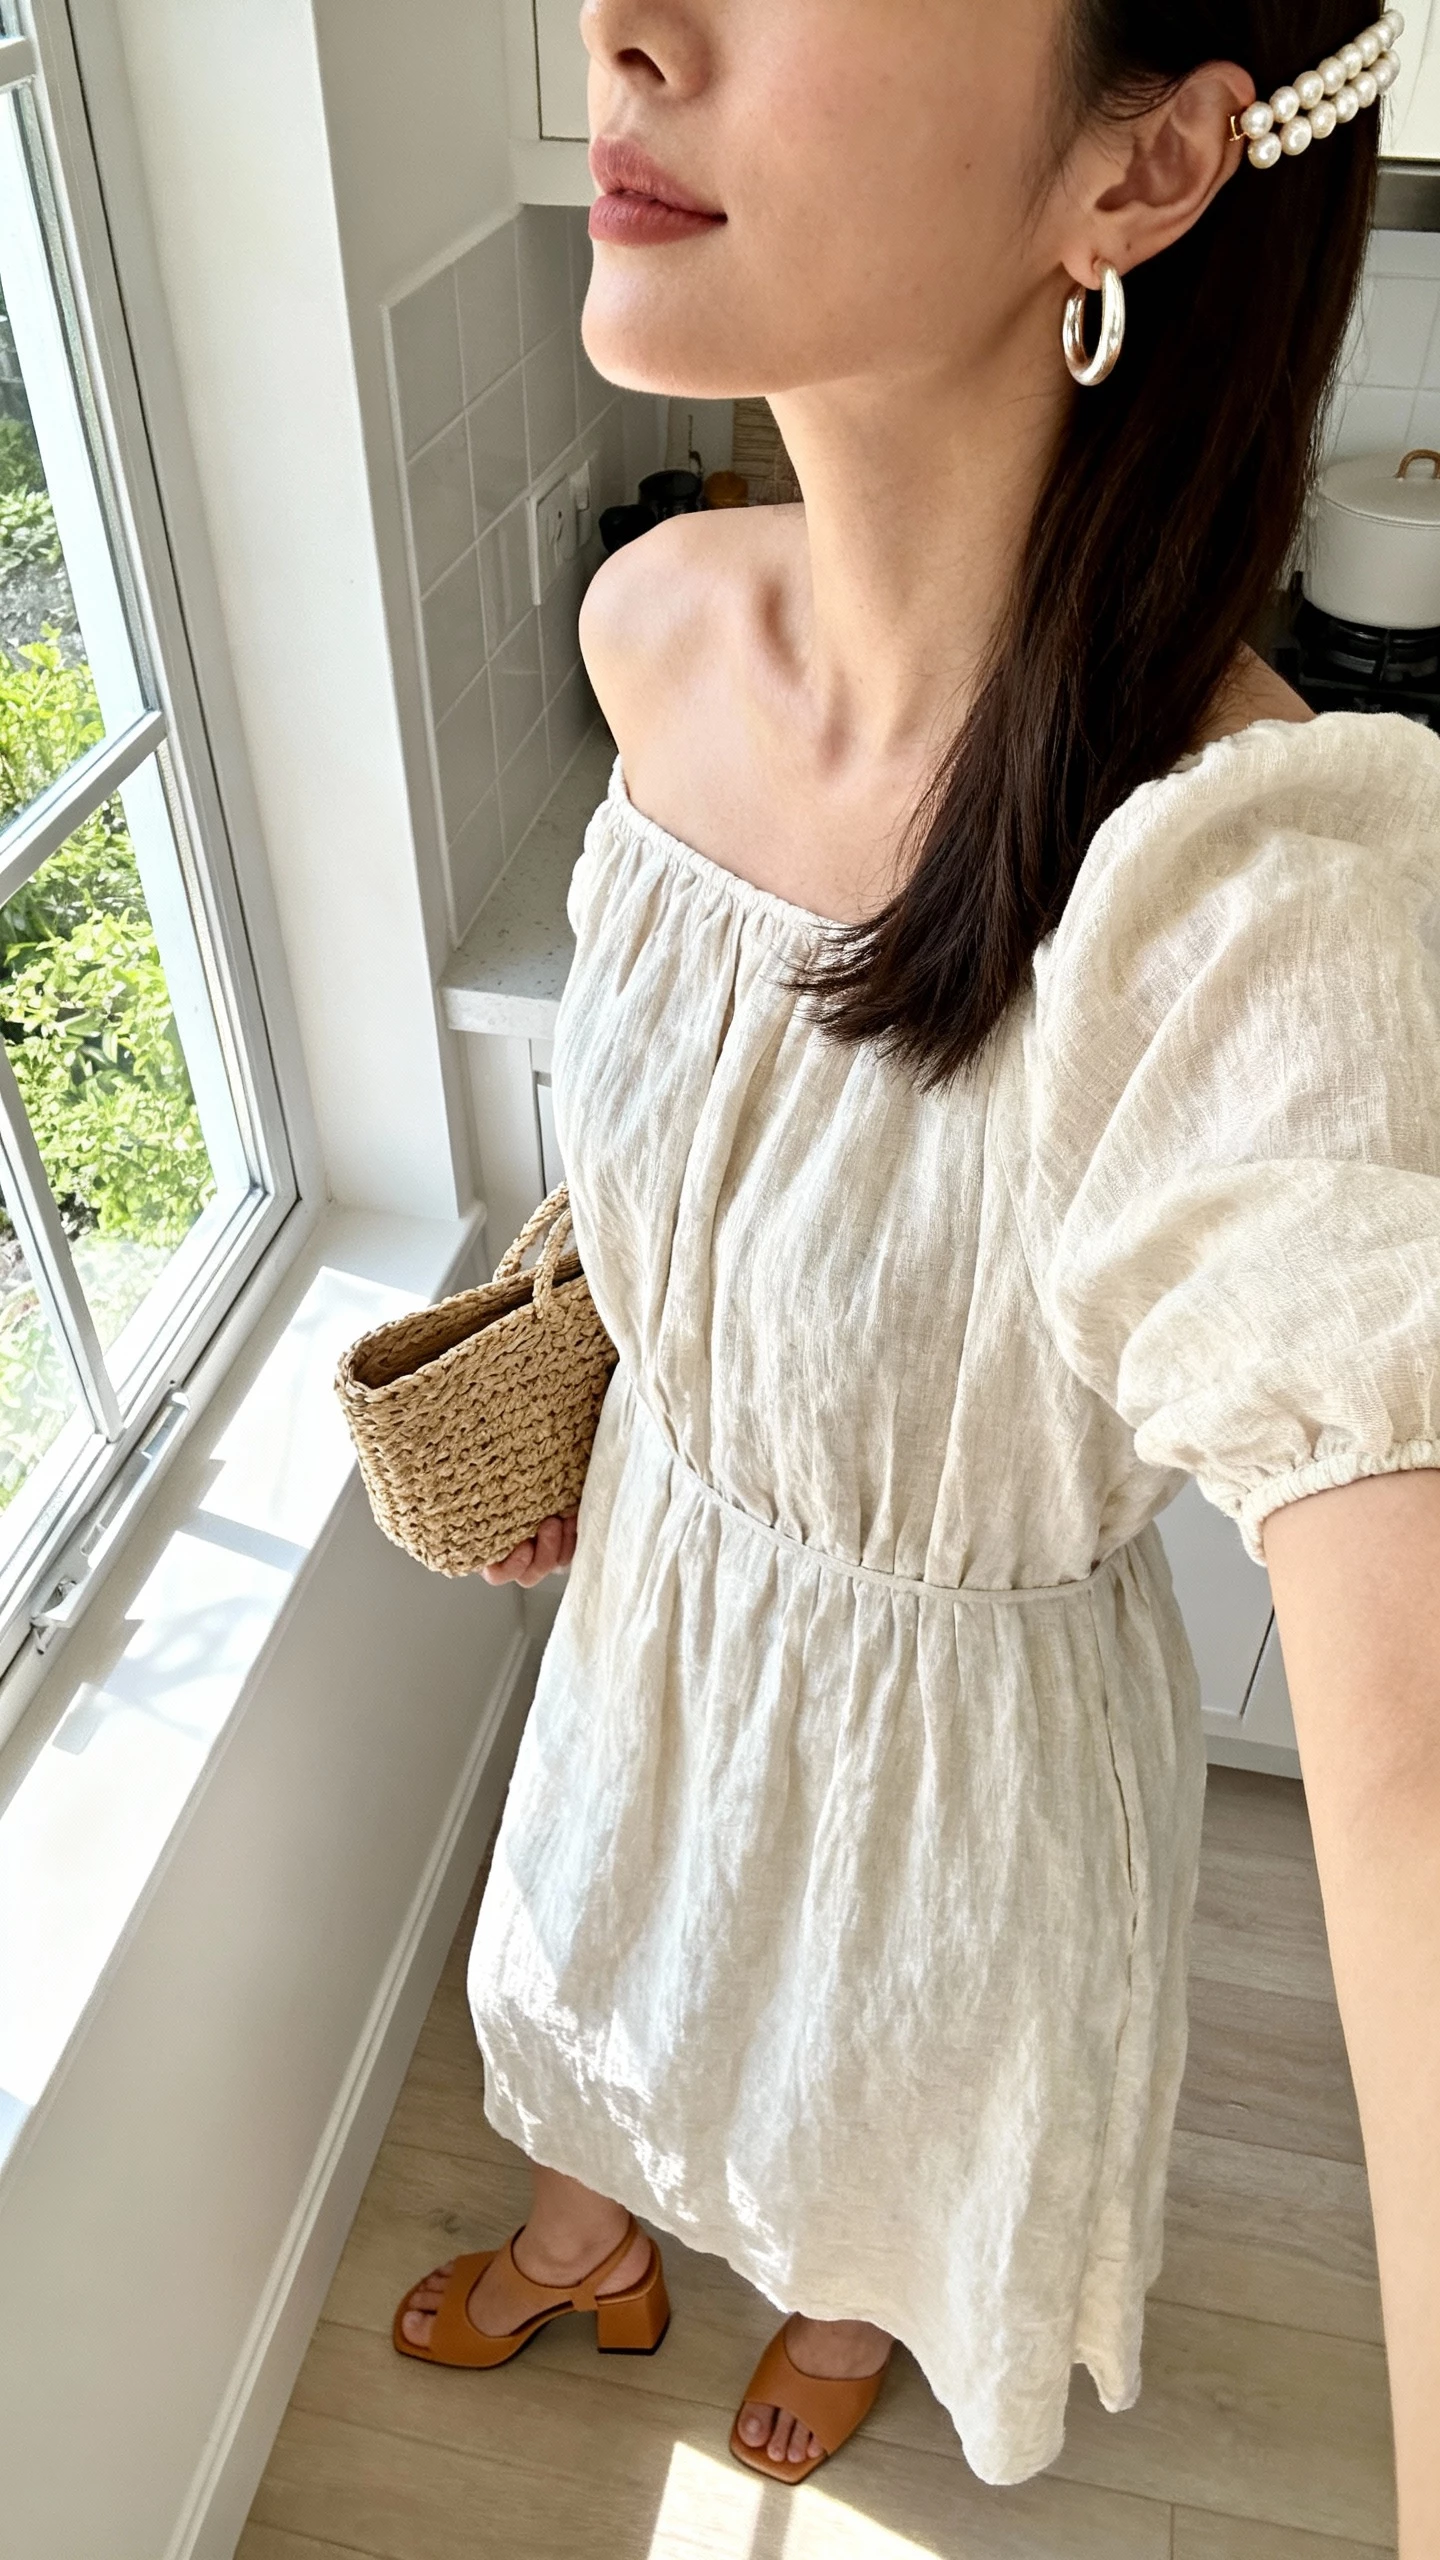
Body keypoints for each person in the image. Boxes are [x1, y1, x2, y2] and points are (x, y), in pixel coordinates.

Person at [394, 0, 1440, 2537]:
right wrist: (620, 1361)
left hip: (956, 1719)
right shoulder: (653, 631)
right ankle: (593, 2232)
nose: (628, 21)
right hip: (657, 1582)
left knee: (880, 2068)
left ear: (1151, 166)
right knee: (594, 1969)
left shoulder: (1239, 884)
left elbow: (1411, 1755)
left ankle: (841, 2301)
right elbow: (702, 1139)